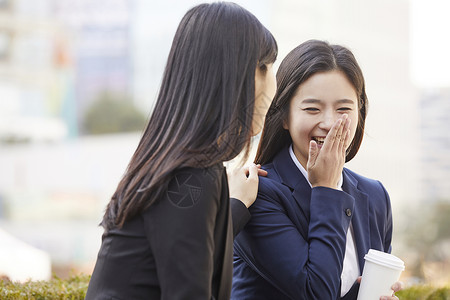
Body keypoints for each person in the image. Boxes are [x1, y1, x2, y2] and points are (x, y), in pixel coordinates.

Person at [85, 2, 277, 300]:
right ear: (230, 77)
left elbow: (183, 248)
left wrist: (234, 205)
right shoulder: (191, 176)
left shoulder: (179, 166)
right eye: (263, 67)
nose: (271, 82)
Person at [232, 40, 401, 300]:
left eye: (344, 108)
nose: (330, 123)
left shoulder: (375, 195)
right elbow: (316, 293)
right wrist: (326, 188)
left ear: (360, 112)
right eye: (312, 108)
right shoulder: (257, 194)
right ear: (285, 117)